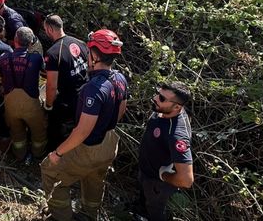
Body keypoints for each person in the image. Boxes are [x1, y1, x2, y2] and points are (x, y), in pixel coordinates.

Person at [41, 29, 129, 221]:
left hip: (90, 146)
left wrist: (57, 154)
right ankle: (90, 214)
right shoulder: (120, 79)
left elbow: (82, 131)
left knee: (49, 171)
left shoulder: (93, 89)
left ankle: (62, 217)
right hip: (109, 143)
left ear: (95, 55)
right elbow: (121, 111)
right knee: (94, 179)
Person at [136, 82, 194, 221]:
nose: (155, 98)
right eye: (158, 93)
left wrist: (164, 176)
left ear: (177, 107)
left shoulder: (177, 134)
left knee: (155, 211)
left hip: (157, 184)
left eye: (162, 98)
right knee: (144, 201)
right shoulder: (163, 110)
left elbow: (187, 180)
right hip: (146, 172)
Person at [0, 27, 47, 160]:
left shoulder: (3, 58)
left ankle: (19, 155)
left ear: (15, 40)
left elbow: (1, 78)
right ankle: (37, 154)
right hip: (31, 103)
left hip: (10, 104)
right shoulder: (36, 58)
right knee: (39, 133)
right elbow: (45, 75)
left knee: (16, 133)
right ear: (31, 43)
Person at [42, 14, 89, 148]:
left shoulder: (53, 53)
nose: (46, 33)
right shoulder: (80, 43)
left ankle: (54, 156)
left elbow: (51, 85)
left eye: (45, 30)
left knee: (58, 132)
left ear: (50, 29)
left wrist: (48, 106)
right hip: (84, 96)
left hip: (67, 102)